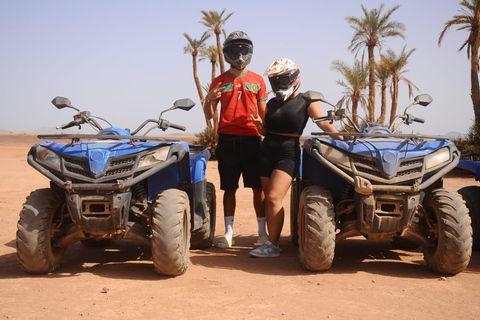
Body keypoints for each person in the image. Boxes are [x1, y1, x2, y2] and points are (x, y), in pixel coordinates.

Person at [249, 58, 342, 258]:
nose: (278, 85)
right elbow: (267, 130)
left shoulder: (307, 100)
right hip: (267, 151)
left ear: (293, 78)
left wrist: (342, 138)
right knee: (269, 199)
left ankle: (272, 245)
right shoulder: (272, 102)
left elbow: (323, 124)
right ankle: (273, 241)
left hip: (288, 152)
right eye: (274, 81)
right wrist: (259, 125)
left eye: (282, 80)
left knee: (274, 197)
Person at [204, 30, 269, 249]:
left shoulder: (258, 80)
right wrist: (209, 99)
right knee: (229, 188)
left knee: (257, 188)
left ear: (249, 51)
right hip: (228, 140)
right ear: (227, 52)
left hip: (252, 139)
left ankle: (262, 234)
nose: (239, 54)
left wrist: (264, 127)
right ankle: (228, 234)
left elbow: (264, 113)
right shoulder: (219, 81)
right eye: (235, 49)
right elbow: (210, 115)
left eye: (243, 49)